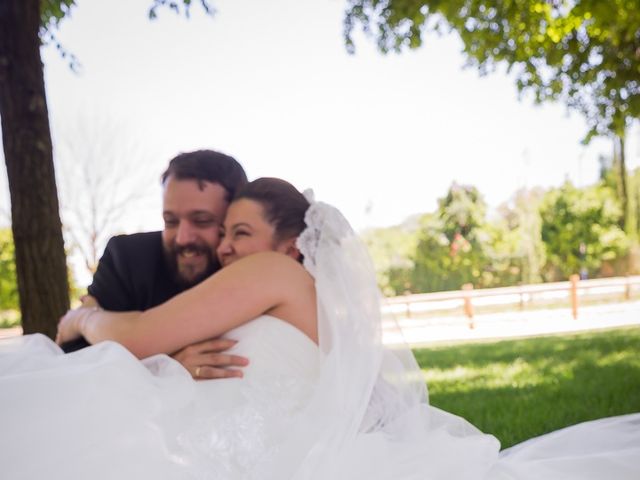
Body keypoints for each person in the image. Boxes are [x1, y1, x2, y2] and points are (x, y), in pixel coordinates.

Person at [1, 178, 639, 480]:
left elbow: (136, 334)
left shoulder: (272, 276)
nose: (224, 248)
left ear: (293, 245)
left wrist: (82, 316)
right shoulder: (314, 305)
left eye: (238, 232)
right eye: (224, 234)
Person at [61, 149, 251, 379]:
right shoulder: (127, 257)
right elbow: (73, 354)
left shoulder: (256, 262)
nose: (182, 238)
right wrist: (163, 367)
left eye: (201, 221)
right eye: (170, 221)